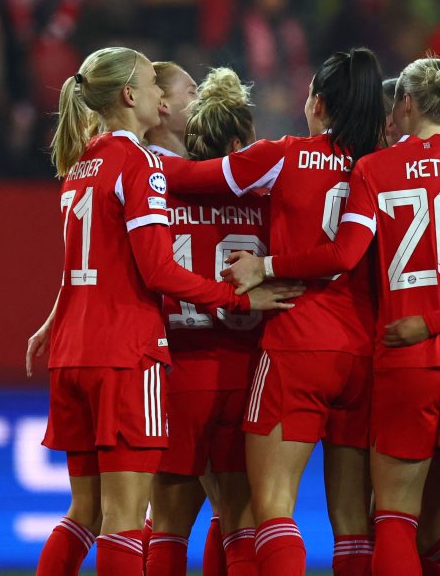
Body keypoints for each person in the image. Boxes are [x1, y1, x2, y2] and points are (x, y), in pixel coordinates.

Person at [226, 55, 440, 576]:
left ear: (404, 103)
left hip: (408, 356)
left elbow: (343, 254)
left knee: (396, 519)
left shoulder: (376, 169)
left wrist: (266, 266)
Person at [25, 46, 291, 576]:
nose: (160, 96)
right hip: (127, 355)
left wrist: (54, 318)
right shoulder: (141, 164)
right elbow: (159, 272)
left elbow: (88, 262)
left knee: (84, 514)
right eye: (153, 85)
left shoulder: (81, 162)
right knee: (126, 522)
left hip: (72, 353)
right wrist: (239, 298)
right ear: (131, 96)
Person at [161, 48, 387, 575]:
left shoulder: (284, 155)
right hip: (364, 354)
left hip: (297, 345)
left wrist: (121, 149)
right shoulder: (381, 165)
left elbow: (188, 178)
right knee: (355, 525)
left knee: (271, 508)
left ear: (318, 103)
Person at [148, 65, 296, 576]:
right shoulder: (262, 201)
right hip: (245, 372)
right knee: (239, 526)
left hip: (178, 372)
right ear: (238, 144)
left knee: (166, 530)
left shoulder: (159, 192)